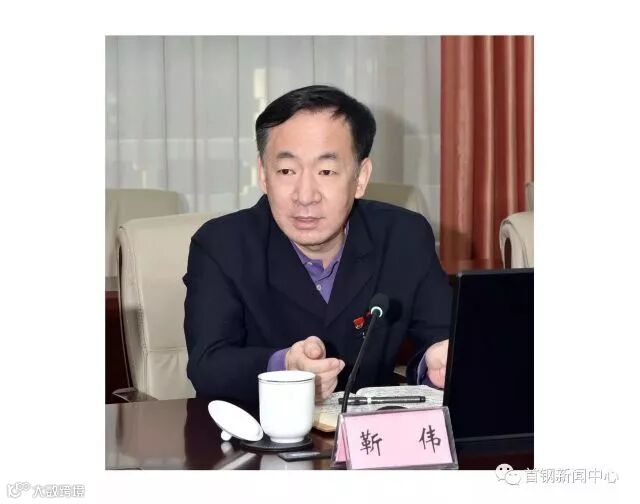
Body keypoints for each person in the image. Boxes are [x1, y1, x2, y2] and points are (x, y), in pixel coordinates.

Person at [183, 85, 451, 414]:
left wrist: (435, 364)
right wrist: (284, 367)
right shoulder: (222, 245)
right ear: (263, 175)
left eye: (326, 171)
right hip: (256, 432)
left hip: (369, 436)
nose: (305, 195)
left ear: (361, 177)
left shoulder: (404, 237)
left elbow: (440, 339)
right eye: (286, 171)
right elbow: (208, 364)